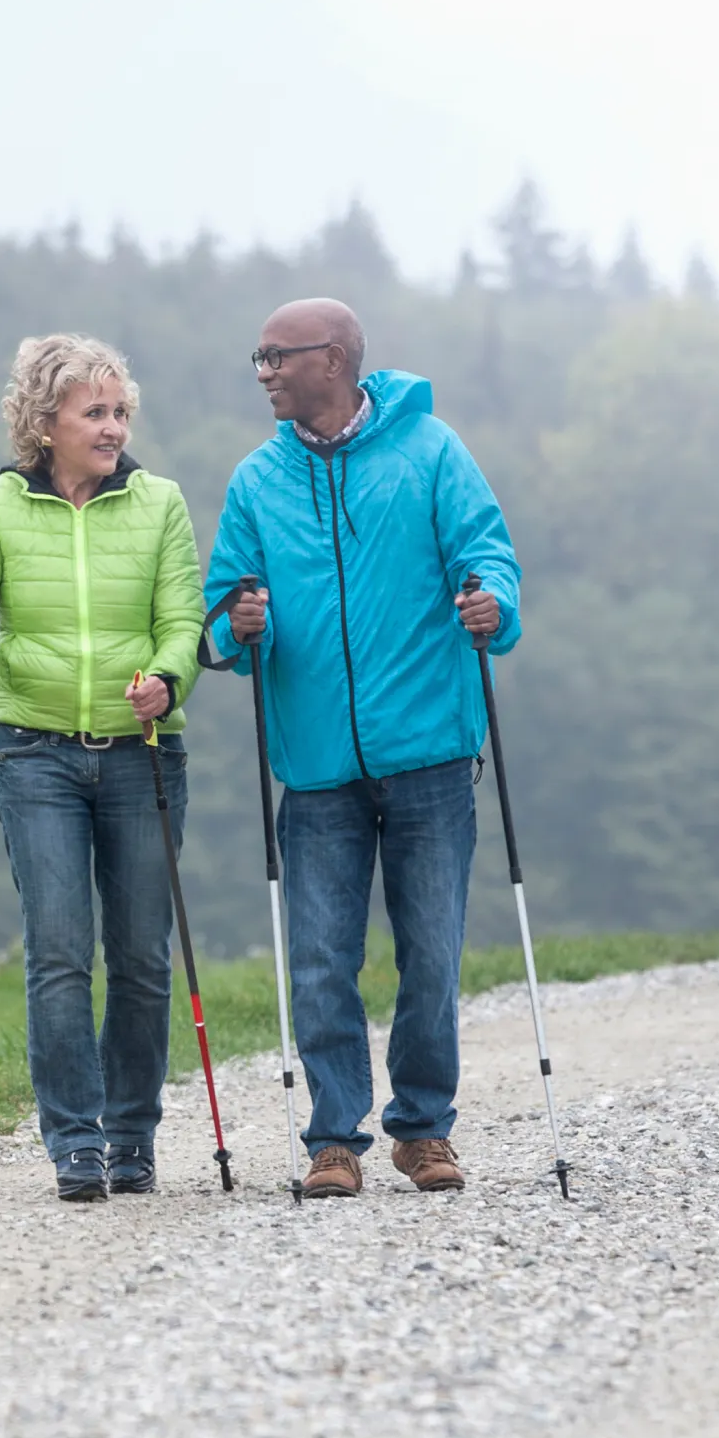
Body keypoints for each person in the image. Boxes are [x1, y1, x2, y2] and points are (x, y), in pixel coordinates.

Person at [202, 299, 521, 1198]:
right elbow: (220, 611)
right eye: (256, 356)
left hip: (428, 752)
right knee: (319, 960)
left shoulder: (431, 452)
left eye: (277, 356)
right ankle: (332, 1141)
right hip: (314, 765)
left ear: (333, 360)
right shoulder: (258, 479)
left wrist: (493, 607)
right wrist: (238, 624)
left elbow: (489, 556)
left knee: (432, 951)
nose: (262, 371)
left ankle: (423, 1130)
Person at [0, 334, 207, 1202]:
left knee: (143, 959)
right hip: (34, 752)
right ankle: (74, 1142)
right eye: (96, 412)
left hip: (143, 753)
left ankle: (132, 1138)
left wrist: (167, 677)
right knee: (56, 955)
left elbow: (182, 620)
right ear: (46, 423)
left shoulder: (159, 504)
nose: (114, 427)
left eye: (121, 412)